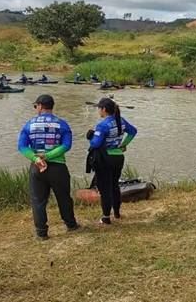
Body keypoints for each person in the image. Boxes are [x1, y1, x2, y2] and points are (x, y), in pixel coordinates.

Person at [17, 94, 78, 240]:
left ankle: (41, 233)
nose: (35, 109)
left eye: (35, 106)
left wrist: (36, 158)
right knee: (64, 198)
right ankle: (71, 225)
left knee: (38, 200)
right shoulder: (62, 124)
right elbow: (66, 145)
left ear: (40, 106)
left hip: (37, 167)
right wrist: (49, 156)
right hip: (58, 167)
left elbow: (22, 146)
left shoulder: (29, 125)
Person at [88, 98, 137, 225]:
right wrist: (124, 144)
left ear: (104, 109)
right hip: (118, 157)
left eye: (99, 108)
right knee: (114, 185)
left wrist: (90, 137)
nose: (98, 110)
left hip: (105, 159)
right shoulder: (121, 120)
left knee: (105, 189)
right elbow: (133, 131)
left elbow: (96, 144)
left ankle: (105, 217)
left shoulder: (102, 125)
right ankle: (116, 212)